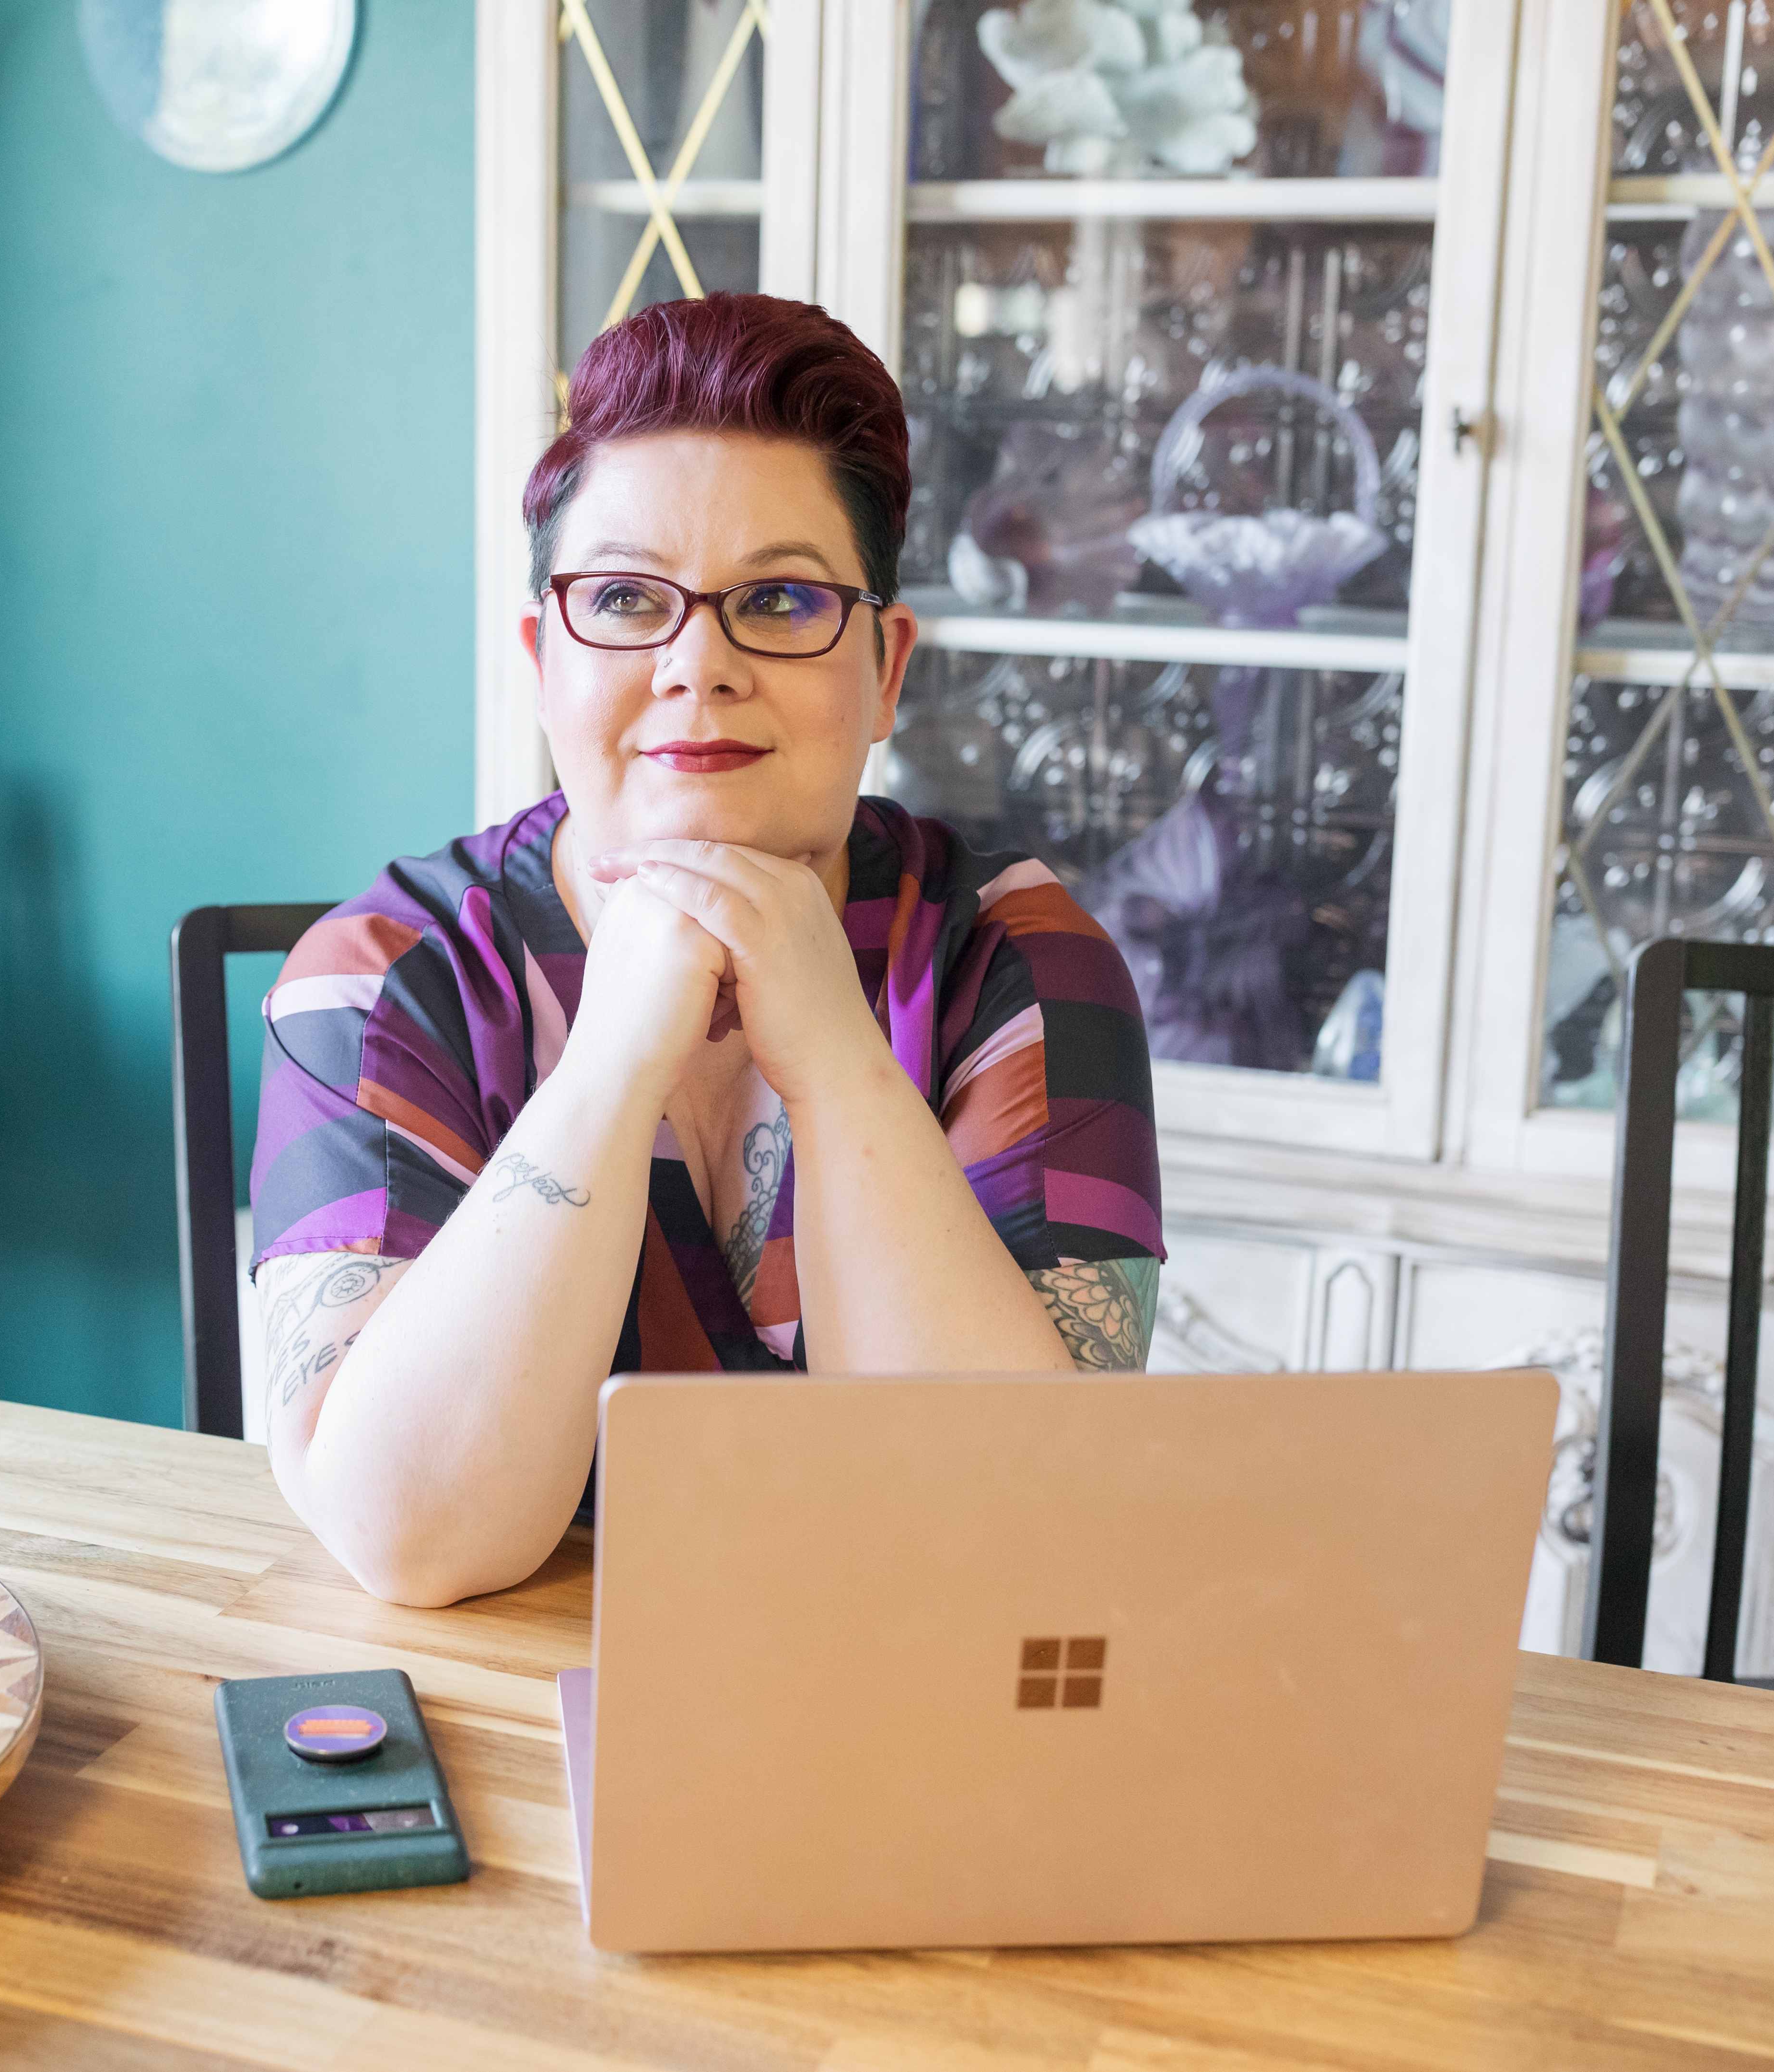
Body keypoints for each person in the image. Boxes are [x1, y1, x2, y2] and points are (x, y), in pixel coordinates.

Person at [249, 293, 1163, 1607]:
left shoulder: (1014, 966)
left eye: (781, 599)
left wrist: (838, 1060)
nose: (698, 663)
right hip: (491, 1699)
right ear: (544, 657)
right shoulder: (386, 975)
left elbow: (1003, 1539)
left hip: (894, 1707)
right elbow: (413, 1539)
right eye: (622, 598)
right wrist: (611, 1063)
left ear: (884, 667)